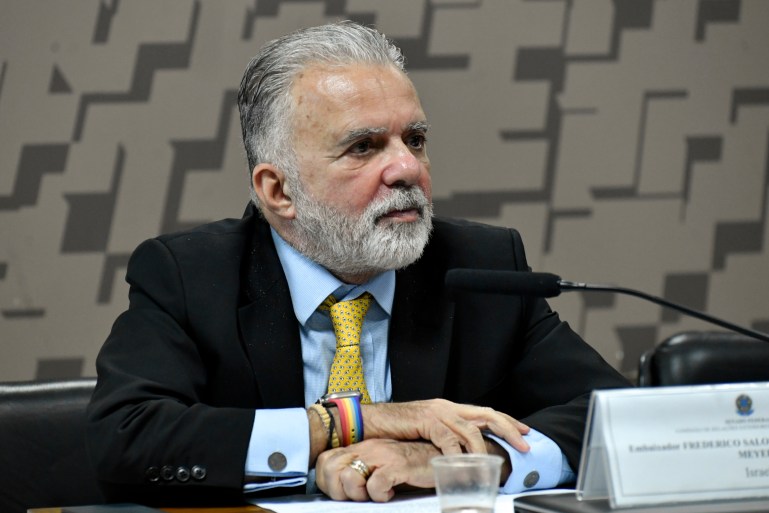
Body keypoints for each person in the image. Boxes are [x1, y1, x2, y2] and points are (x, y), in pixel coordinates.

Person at [86, 21, 630, 506]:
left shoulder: (479, 268)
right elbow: (126, 437)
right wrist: (354, 422)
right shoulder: (190, 276)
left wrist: (464, 459)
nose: (406, 168)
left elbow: (617, 416)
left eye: (415, 139)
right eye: (364, 147)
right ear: (278, 191)